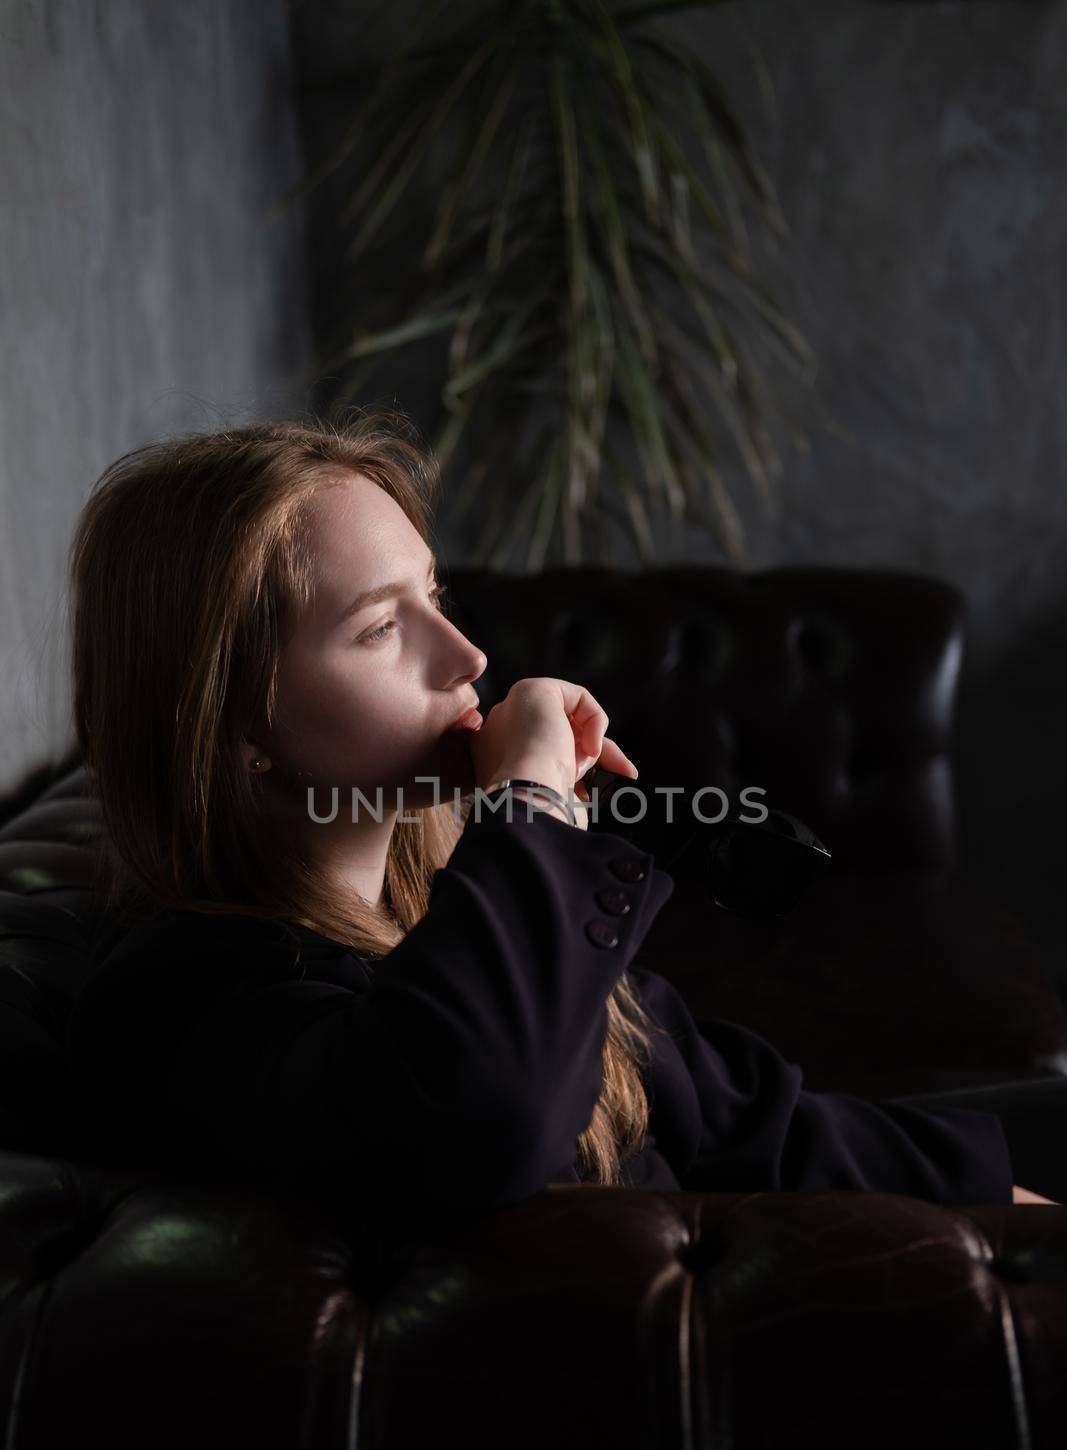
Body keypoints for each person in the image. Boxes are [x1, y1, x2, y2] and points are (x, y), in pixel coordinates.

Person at [62, 409, 1057, 1254]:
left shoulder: (436, 900)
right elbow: (477, 1116)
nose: (465, 653)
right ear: (237, 728)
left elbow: (746, 1114)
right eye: (379, 627)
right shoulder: (187, 993)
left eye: (435, 597)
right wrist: (530, 797)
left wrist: (1012, 1212)